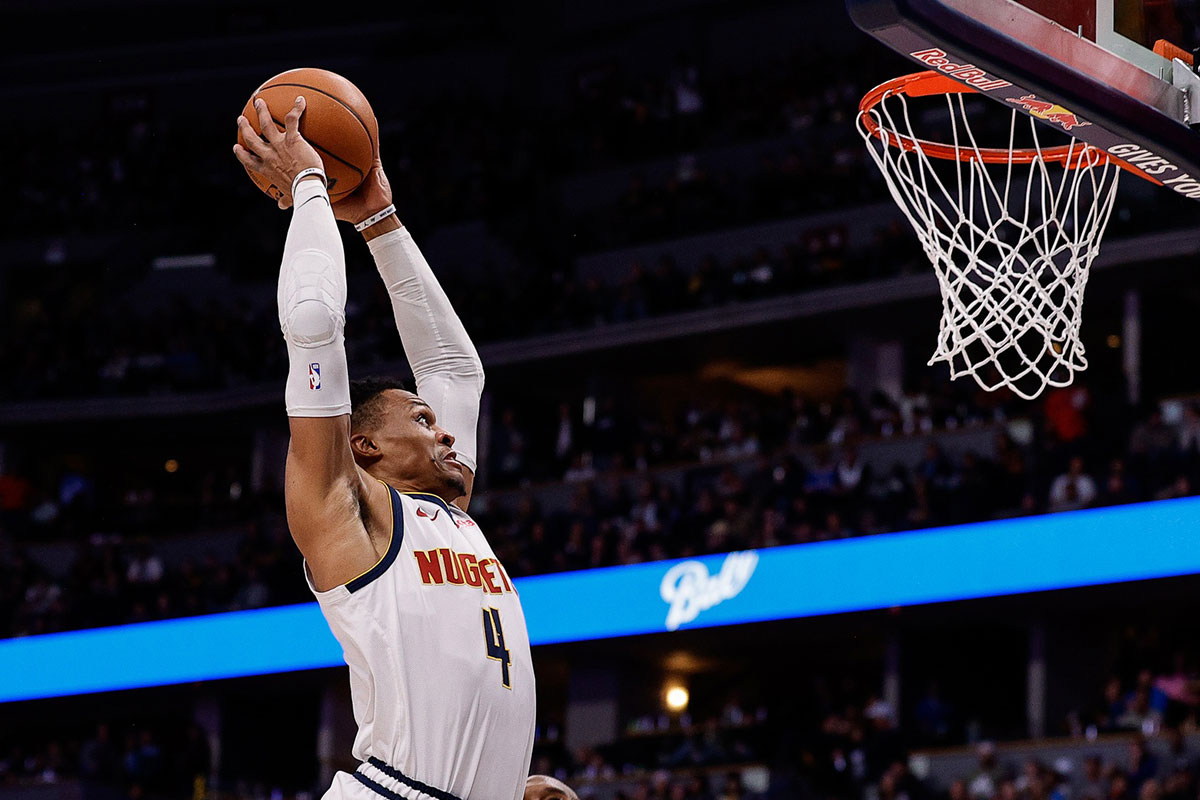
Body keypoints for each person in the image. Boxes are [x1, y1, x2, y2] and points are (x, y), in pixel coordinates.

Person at [233, 95, 535, 800]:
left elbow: (459, 372)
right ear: (362, 445)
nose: (448, 430)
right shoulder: (345, 509)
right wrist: (310, 184)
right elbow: (313, 323)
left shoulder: (453, 512)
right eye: (424, 420)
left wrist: (379, 220)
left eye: (434, 419)